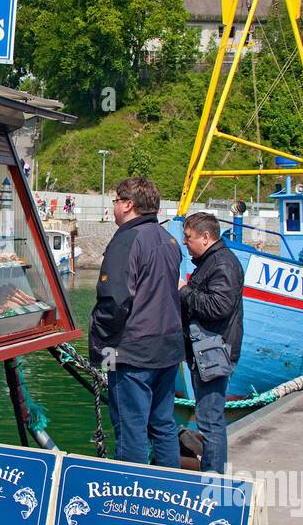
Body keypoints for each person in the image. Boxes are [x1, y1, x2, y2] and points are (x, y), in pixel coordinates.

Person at [88, 176, 184, 467]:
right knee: (163, 424)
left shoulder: (127, 240)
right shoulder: (168, 239)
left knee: (131, 431)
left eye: (116, 201)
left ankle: (130, 499)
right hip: (167, 347)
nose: (114, 207)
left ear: (129, 204)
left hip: (130, 351)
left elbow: (114, 301)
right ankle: (170, 489)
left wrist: (99, 348)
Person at [180, 211, 244, 475]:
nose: (185, 242)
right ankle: (212, 472)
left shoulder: (222, 264)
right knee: (209, 418)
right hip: (208, 349)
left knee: (209, 420)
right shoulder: (214, 262)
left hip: (214, 352)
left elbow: (218, 307)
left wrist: (183, 291)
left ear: (205, 237)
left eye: (189, 237)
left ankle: (213, 476)